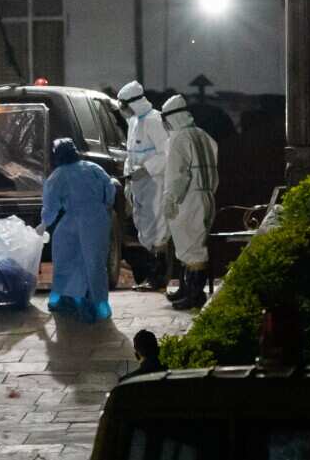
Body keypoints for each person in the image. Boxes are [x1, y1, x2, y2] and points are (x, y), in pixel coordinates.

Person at [38, 138, 116, 323]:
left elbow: (50, 206)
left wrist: (43, 224)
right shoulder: (93, 167)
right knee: (95, 262)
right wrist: (106, 205)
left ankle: (66, 298)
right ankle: (100, 305)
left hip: (72, 219)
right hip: (98, 218)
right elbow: (110, 187)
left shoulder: (57, 176)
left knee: (66, 259)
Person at [160, 94, 220, 310]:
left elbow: (178, 174)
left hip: (189, 199)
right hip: (206, 196)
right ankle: (187, 291)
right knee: (191, 246)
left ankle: (194, 296)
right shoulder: (202, 135)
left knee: (192, 250)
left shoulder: (179, 139)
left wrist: (170, 199)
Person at [116, 81, 170, 291]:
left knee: (157, 226)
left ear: (133, 103)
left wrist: (146, 169)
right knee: (143, 226)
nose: (122, 110)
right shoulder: (134, 122)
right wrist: (130, 175)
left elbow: (165, 154)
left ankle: (158, 277)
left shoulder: (154, 121)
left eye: (124, 105)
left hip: (154, 181)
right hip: (138, 183)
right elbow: (132, 153)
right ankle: (152, 274)